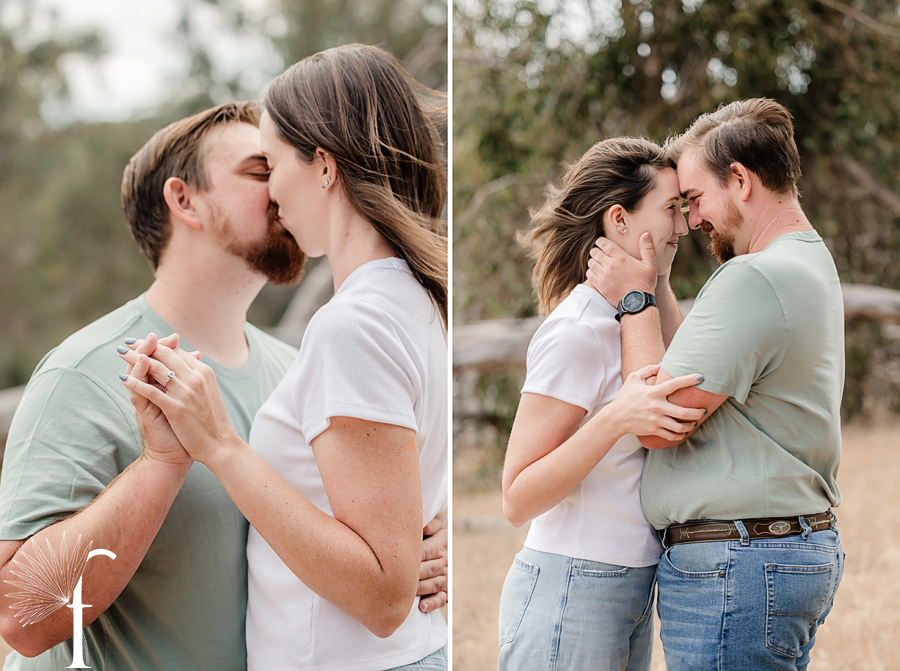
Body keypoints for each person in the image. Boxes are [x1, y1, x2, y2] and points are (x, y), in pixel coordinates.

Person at [0, 99, 447, 671]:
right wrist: (162, 463)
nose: (281, 188)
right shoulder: (81, 373)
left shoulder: (298, 369)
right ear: (185, 199)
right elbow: (21, 618)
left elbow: (365, 556)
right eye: (261, 171)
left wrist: (425, 552)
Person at [121, 44, 449, 670]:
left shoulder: (352, 325)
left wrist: (221, 445)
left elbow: (382, 596)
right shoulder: (414, 299)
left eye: (271, 165)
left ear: (323, 166)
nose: (270, 193)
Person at [586, 99, 844, 670]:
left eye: (695, 198)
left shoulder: (755, 276)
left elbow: (657, 420)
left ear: (740, 181)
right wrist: (659, 284)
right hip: (775, 554)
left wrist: (634, 300)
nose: (692, 220)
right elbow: (700, 369)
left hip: (740, 566)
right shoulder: (808, 261)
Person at [497, 138, 705, 671]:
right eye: (670, 209)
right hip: (572, 586)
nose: (682, 227)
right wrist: (614, 419)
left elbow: (675, 393)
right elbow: (516, 497)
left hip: (630, 584)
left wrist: (652, 280)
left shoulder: (639, 318)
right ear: (619, 219)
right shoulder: (577, 330)